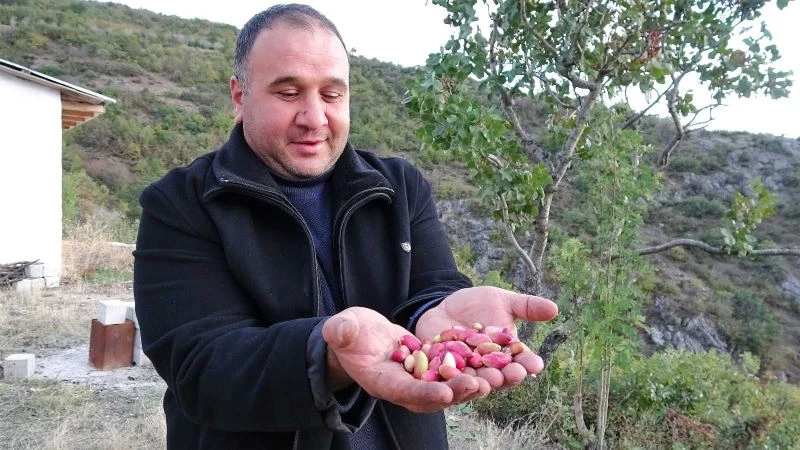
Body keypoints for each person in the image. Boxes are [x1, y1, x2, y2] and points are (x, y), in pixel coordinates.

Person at [133, 3, 558, 449]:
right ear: (240, 97)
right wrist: (327, 354)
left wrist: (439, 316)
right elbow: (201, 367)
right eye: (288, 92)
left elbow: (432, 289)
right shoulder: (180, 203)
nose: (314, 118)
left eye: (332, 95)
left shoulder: (399, 187)